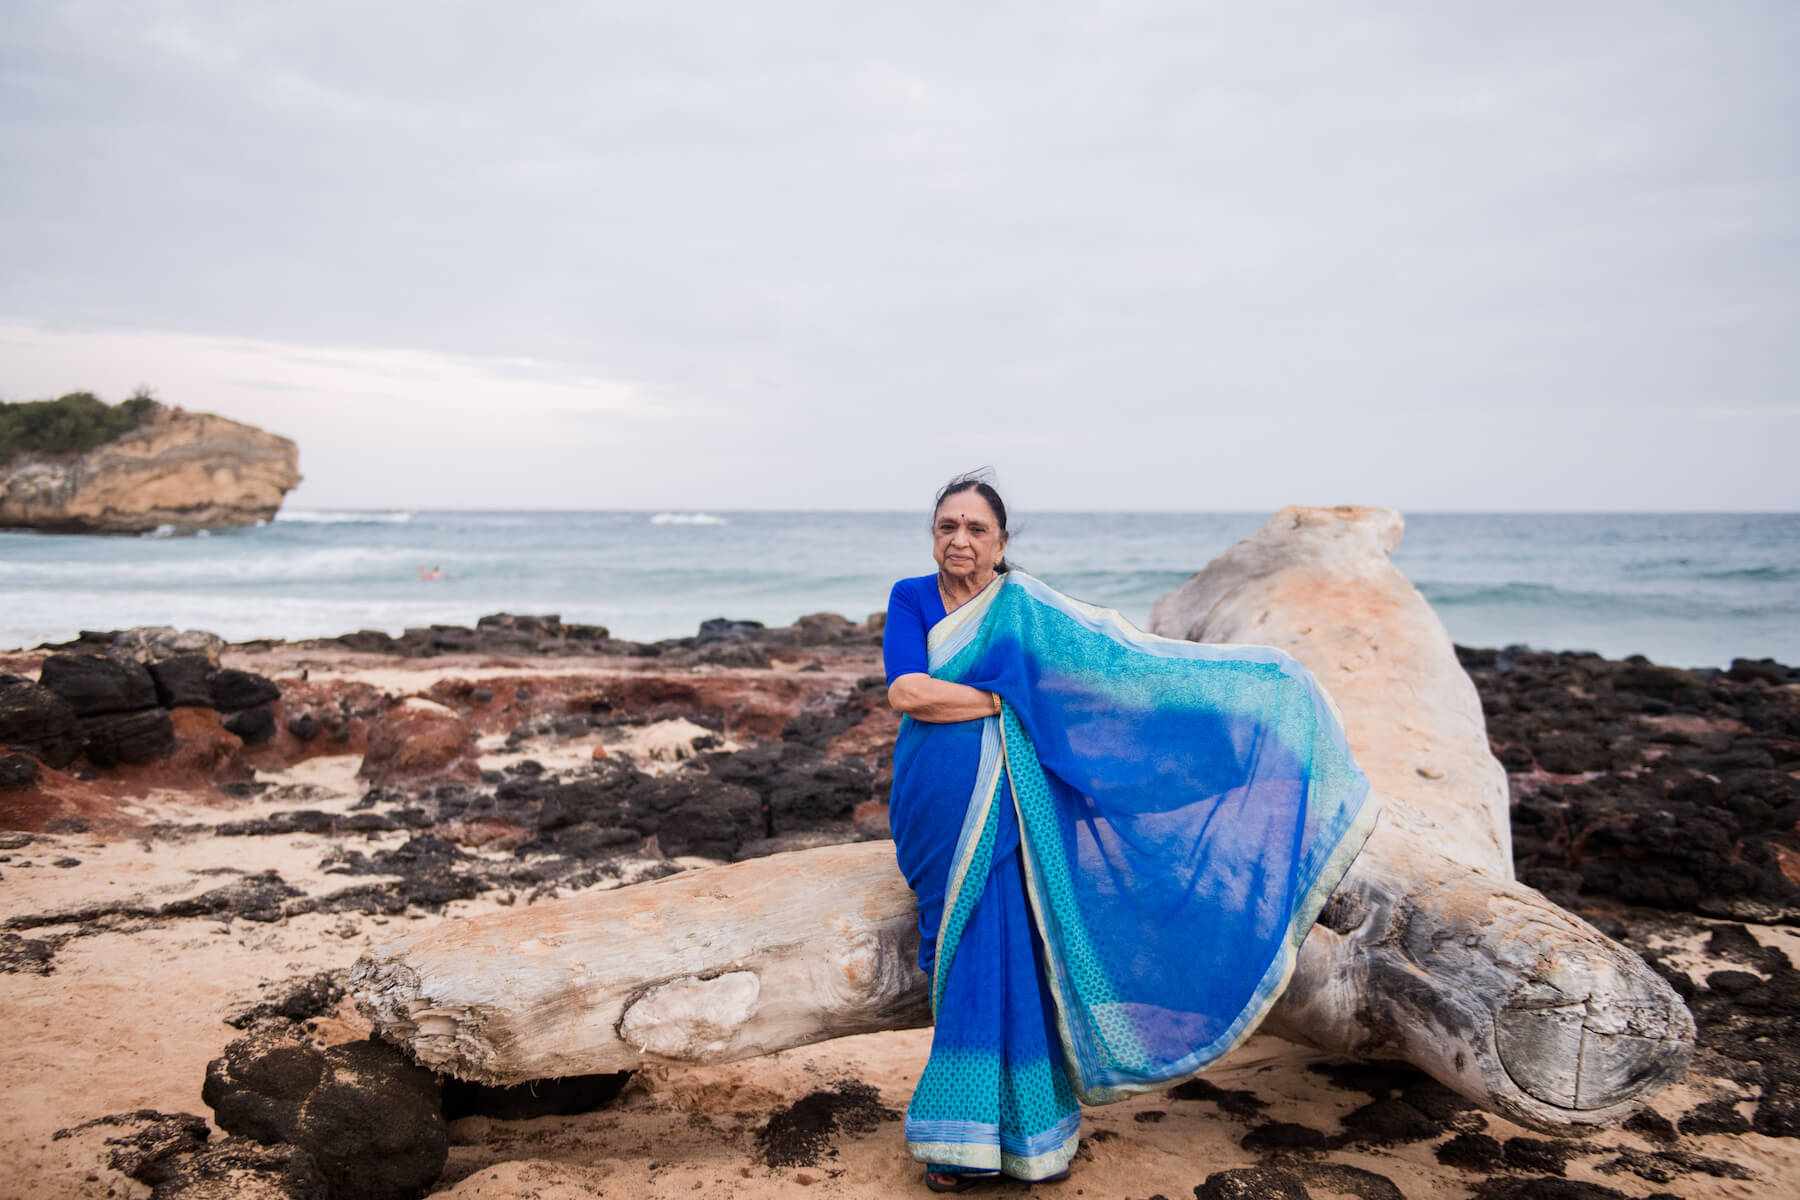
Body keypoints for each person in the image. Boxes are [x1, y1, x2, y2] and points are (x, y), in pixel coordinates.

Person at [882, 473, 1380, 1193]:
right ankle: (965, 1135)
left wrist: (1262, 687)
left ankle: (1012, 1138)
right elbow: (906, 691)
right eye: (946, 526)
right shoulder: (912, 596)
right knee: (960, 956)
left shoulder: (1023, 609)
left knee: (1013, 954)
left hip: (1014, 808)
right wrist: (1007, 700)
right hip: (936, 806)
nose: (958, 540)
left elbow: (1121, 670)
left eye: (975, 529)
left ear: (1000, 544)